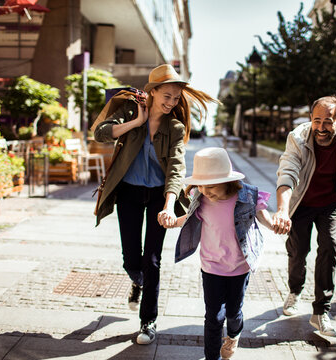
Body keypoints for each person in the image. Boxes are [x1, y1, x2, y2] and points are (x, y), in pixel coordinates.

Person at [91, 64, 218, 345]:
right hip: (128, 193)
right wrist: (136, 123)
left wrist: (170, 204)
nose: (172, 102)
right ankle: (137, 281)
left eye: (176, 98)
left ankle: (148, 321)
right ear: (153, 91)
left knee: (152, 260)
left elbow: (176, 167)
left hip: (160, 197)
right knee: (131, 259)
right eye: (167, 96)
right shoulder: (129, 111)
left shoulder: (174, 127)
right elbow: (100, 133)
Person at [272, 96, 336, 337]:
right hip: (301, 202)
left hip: (332, 202)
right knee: (298, 250)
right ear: (310, 119)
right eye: (317, 121)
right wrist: (283, 210)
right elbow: (287, 172)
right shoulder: (298, 138)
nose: (321, 128)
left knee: (330, 246)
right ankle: (295, 291)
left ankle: (321, 310)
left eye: (328, 122)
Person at [169, 147, 272, 360]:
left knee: (234, 313)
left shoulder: (247, 195)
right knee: (214, 317)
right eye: (201, 187)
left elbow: (264, 217)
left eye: (211, 187)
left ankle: (234, 335)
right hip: (211, 266)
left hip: (239, 267)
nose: (206, 192)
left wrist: (277, 224)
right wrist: (171, 221)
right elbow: (187, 220)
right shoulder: (201, 198)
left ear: (227, 181)